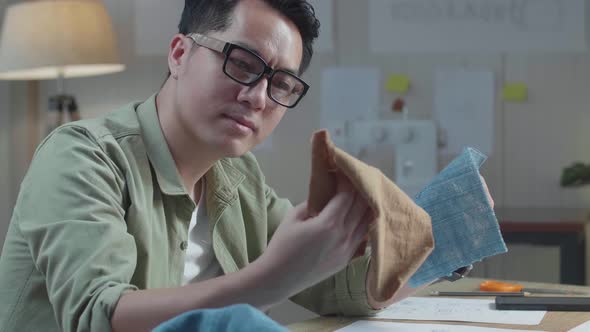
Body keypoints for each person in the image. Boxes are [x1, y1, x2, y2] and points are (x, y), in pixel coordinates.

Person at [0, 1, 490, 331]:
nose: (257, 96)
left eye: (282, 83)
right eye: (240, 62)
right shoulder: (81, 155)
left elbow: (337, 287)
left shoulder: (238, 179)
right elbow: (98, 316)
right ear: (179, 53)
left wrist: (446, 230)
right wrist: (273, 277)